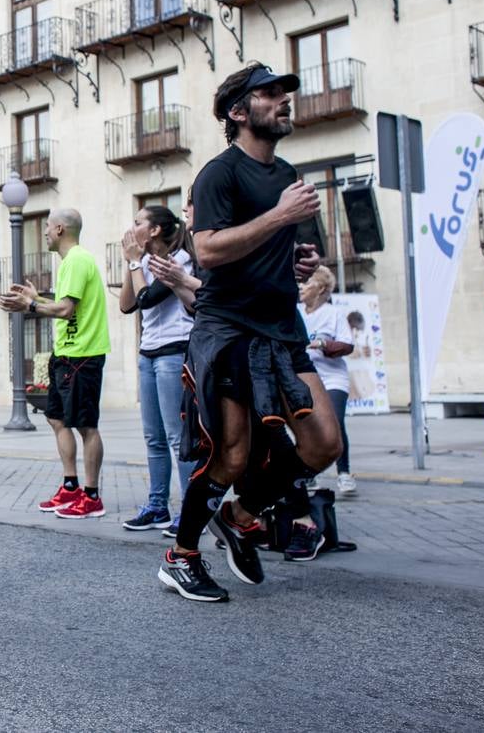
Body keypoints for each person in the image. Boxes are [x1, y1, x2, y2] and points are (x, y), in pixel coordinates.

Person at [157, 61, 339, 603]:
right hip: (229, 330)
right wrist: (280, 220)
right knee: (230, 456)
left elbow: (271, 248)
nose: (284, 100)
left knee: (324, 441)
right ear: (239, 112)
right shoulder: (220, 173)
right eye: (270, 93)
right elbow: (208, 250)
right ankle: (180, 556)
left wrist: (296, 262)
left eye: (286, 92)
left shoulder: (285, 176)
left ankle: (240, 515)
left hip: (282, 328)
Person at [0, 208, 110, 520]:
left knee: (86, 425)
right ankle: (70, 486)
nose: (44, 231)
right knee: (57, 419)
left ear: (60, 228)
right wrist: (39, 298)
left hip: (83, 356)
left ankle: (92, 496)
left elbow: (66, 312)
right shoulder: (70, 263)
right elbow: (65, 306)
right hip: (66, 354)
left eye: (47, 226)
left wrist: (31, 304)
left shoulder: (76, 260)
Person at [118, 205, 200, 532]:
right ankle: (157, 504)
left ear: (154, 230)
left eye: (138, 222)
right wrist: (131, 262)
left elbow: (149, 298)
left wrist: (137, 262)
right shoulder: (143, 263)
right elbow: (127, 304)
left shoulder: (177, 261)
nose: (132, 227)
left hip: (173, 352)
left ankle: (191, 510)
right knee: (153, 437)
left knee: (177, 437)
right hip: (148, 353)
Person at [299, 266, 356, 497]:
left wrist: (323, 345)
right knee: (308, 427)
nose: (301, 287)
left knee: (334, 422)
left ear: (320, 288)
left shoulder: (333, 314)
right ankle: (311, 473)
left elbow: (347, 345)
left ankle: (344, 473)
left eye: (307, 283)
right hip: (306, 378)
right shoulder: (296, 312)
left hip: (333, 378)